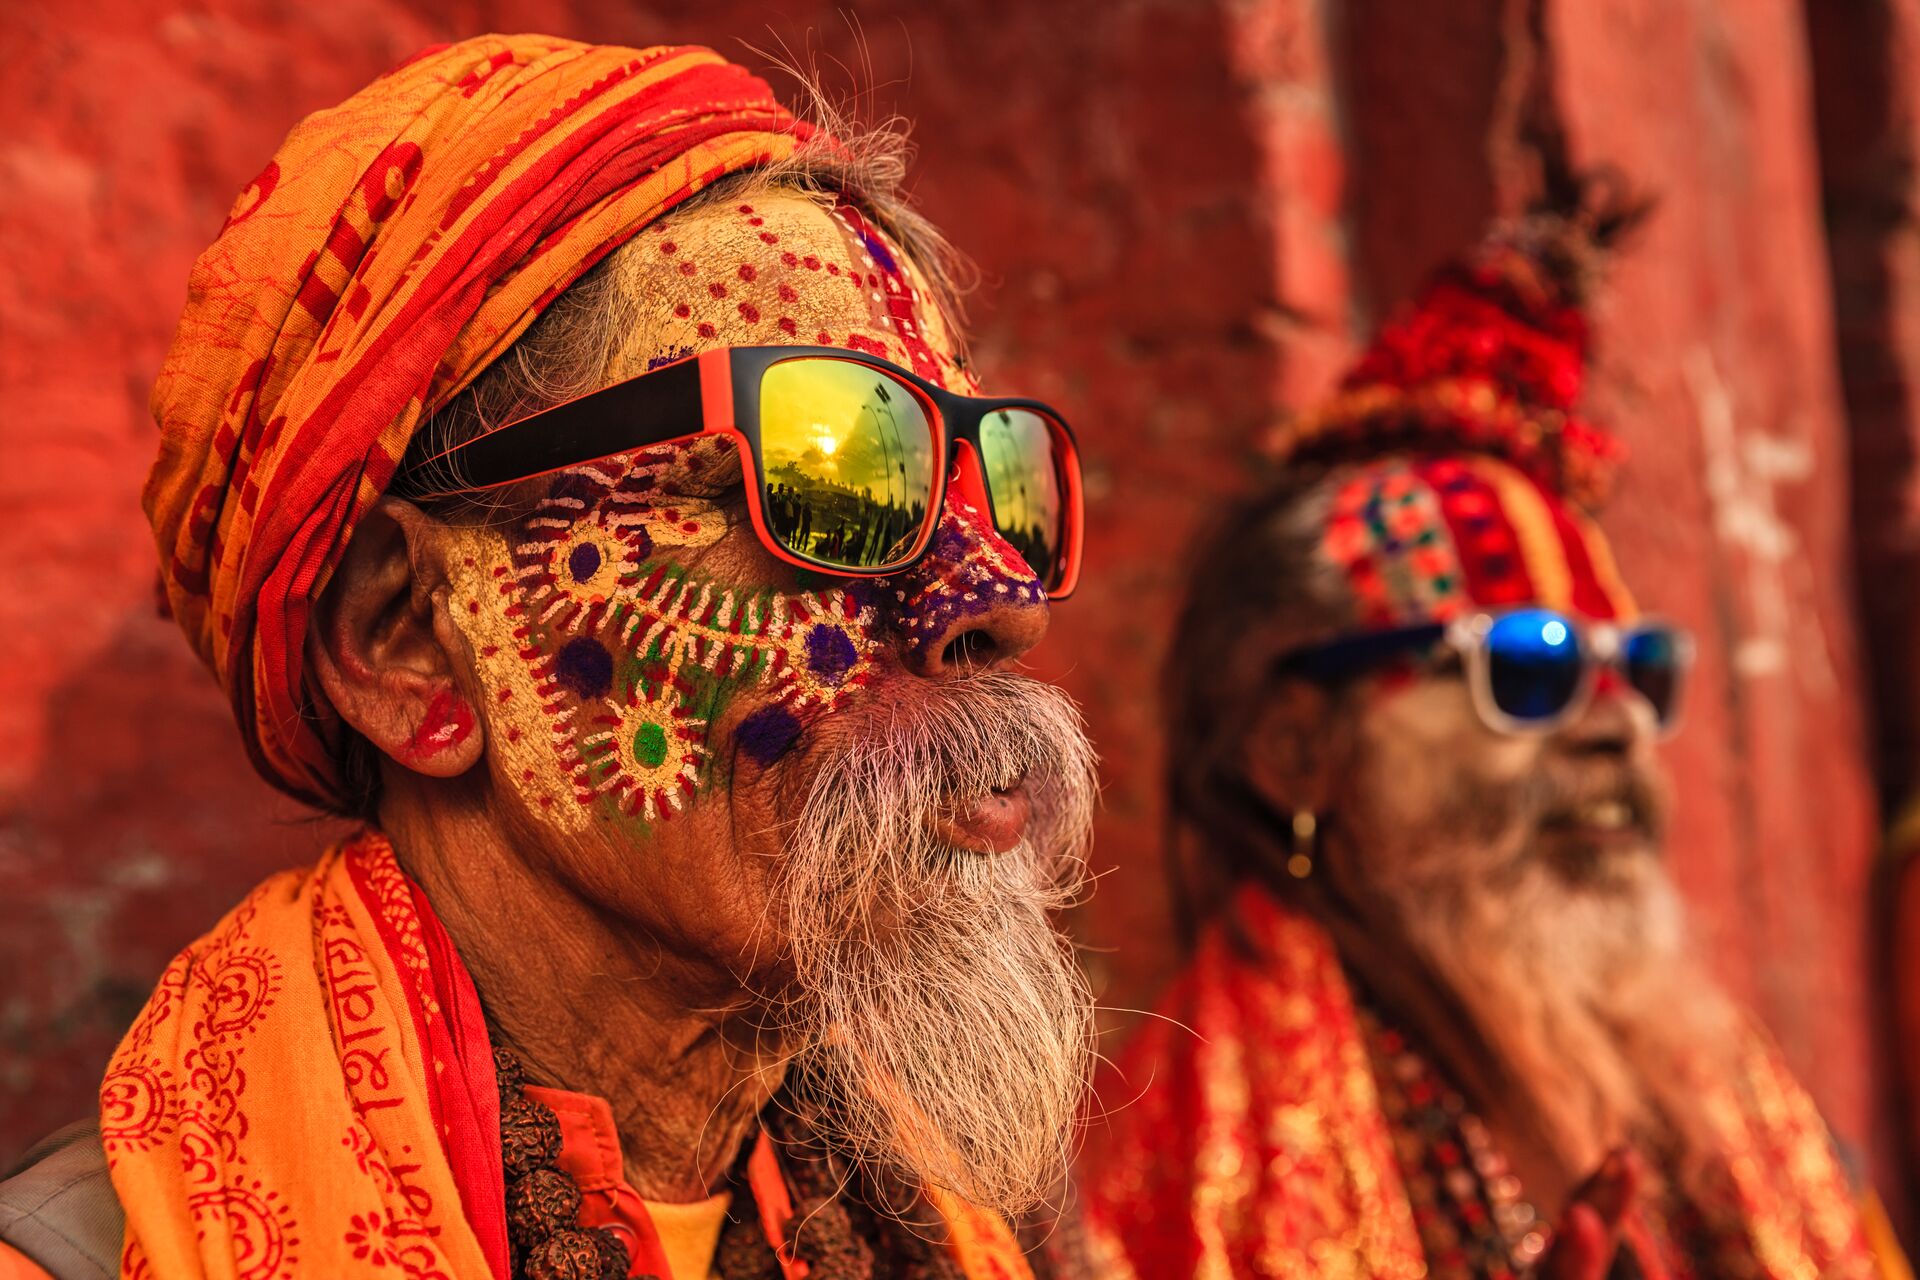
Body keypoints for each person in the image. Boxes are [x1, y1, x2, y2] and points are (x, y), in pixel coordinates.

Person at [0, 35, 1098, 1280]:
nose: (997, 598)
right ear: (406, 639)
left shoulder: (966, 1224)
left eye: (996, 479)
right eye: (831, 470)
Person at [1082, 193, 1905, 1279]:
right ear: (1295, 747)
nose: (1611, 724)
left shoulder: (1729, 1095)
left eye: (1637, 671)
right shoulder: (1195, 1168)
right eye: (1529, 668)